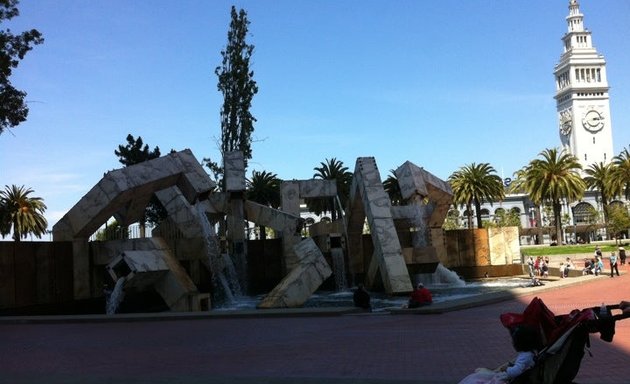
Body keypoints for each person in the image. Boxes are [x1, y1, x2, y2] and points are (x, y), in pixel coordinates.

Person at [458, 325, 540, 384]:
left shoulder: (525, 356)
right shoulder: (529, 353)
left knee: (478, 377)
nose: (512, 343)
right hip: (514, 377)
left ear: (520, 344)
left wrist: (506, 369)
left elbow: (517, 370)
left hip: (509, 378)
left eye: (514, 341)